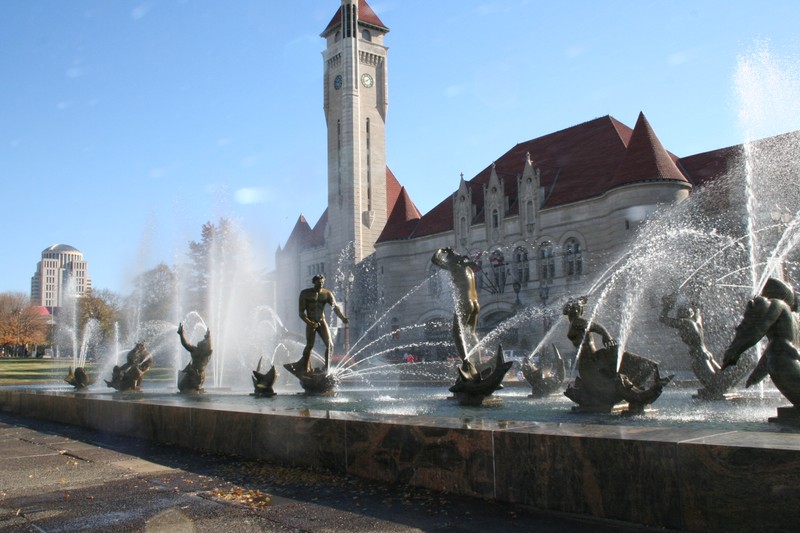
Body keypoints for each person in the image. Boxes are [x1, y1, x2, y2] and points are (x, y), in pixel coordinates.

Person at [722, 277, 800, 406]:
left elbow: (759, 329)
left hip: (781, 362)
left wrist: (735, 350)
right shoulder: (795, 319)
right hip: (791, 363)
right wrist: (757, 375)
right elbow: (777, 346)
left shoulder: (778, 304)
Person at [431, 248, 481, 373]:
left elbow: (435, 260)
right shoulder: (469, 269)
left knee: (457, 333)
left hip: (465, 303)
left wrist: (440, 250)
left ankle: (466, 363)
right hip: (475, 304)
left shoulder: (455, 267)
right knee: (471, 333)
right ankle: (479, 365)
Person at [286, 274, 349, 373]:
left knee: (330, 345)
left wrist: (343, 318)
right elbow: (301, 313)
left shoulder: (327, 293)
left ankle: (326, 369)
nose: (321, 285)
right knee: (310, 345)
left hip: (321, 321)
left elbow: (335, 308)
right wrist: (310, 323)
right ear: (314, 282)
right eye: (319, 283)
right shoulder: (305, 293)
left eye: (322, 283)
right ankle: (304, 367)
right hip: (311, 321)